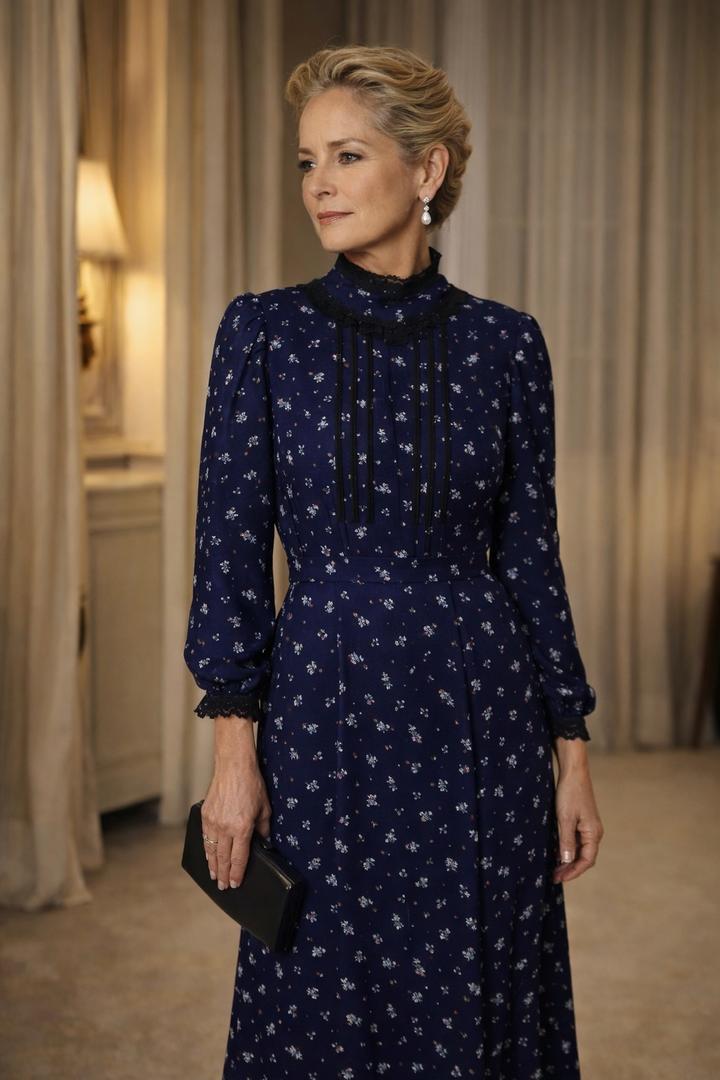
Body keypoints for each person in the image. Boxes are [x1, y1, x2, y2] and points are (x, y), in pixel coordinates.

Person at [184, 42, 604, 1080]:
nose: (318, 185)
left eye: (347, 156)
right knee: (322, 996)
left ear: (428, 169)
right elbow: (228, 556)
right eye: (306, 161)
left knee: (479, 980)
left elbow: (532, 559)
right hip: (323, 712)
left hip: (481, 717)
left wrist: (573, 756)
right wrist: (233, 757)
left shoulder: (508, 346)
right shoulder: (262, 335)